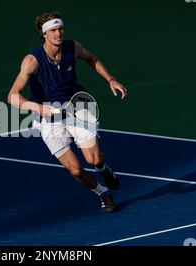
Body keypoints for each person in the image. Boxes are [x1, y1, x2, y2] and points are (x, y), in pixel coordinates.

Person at [7, 12, 128, 213]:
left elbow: (91, 58)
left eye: (60, 29)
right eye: (53, 30)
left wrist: (110, 79)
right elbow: (12, 96)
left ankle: (104, 170)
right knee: (76, 170)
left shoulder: (73, 47)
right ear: (44, 34)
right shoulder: (32, 61)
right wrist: (39, 108)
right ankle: (102, 192)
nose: (58, 33)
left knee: (94, 160)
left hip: (78, 108)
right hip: (48, 118)